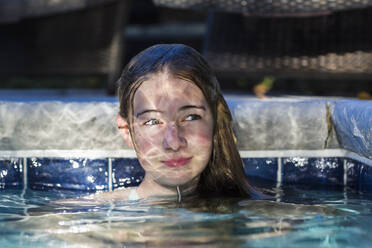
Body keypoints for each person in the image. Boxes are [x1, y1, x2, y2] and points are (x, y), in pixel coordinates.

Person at [92, 44, 260, 202]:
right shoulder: (95, 219)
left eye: (191, 117)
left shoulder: (262, 218)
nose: (173, 143)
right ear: (127, 131)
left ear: (215, 120)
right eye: (153, 121)